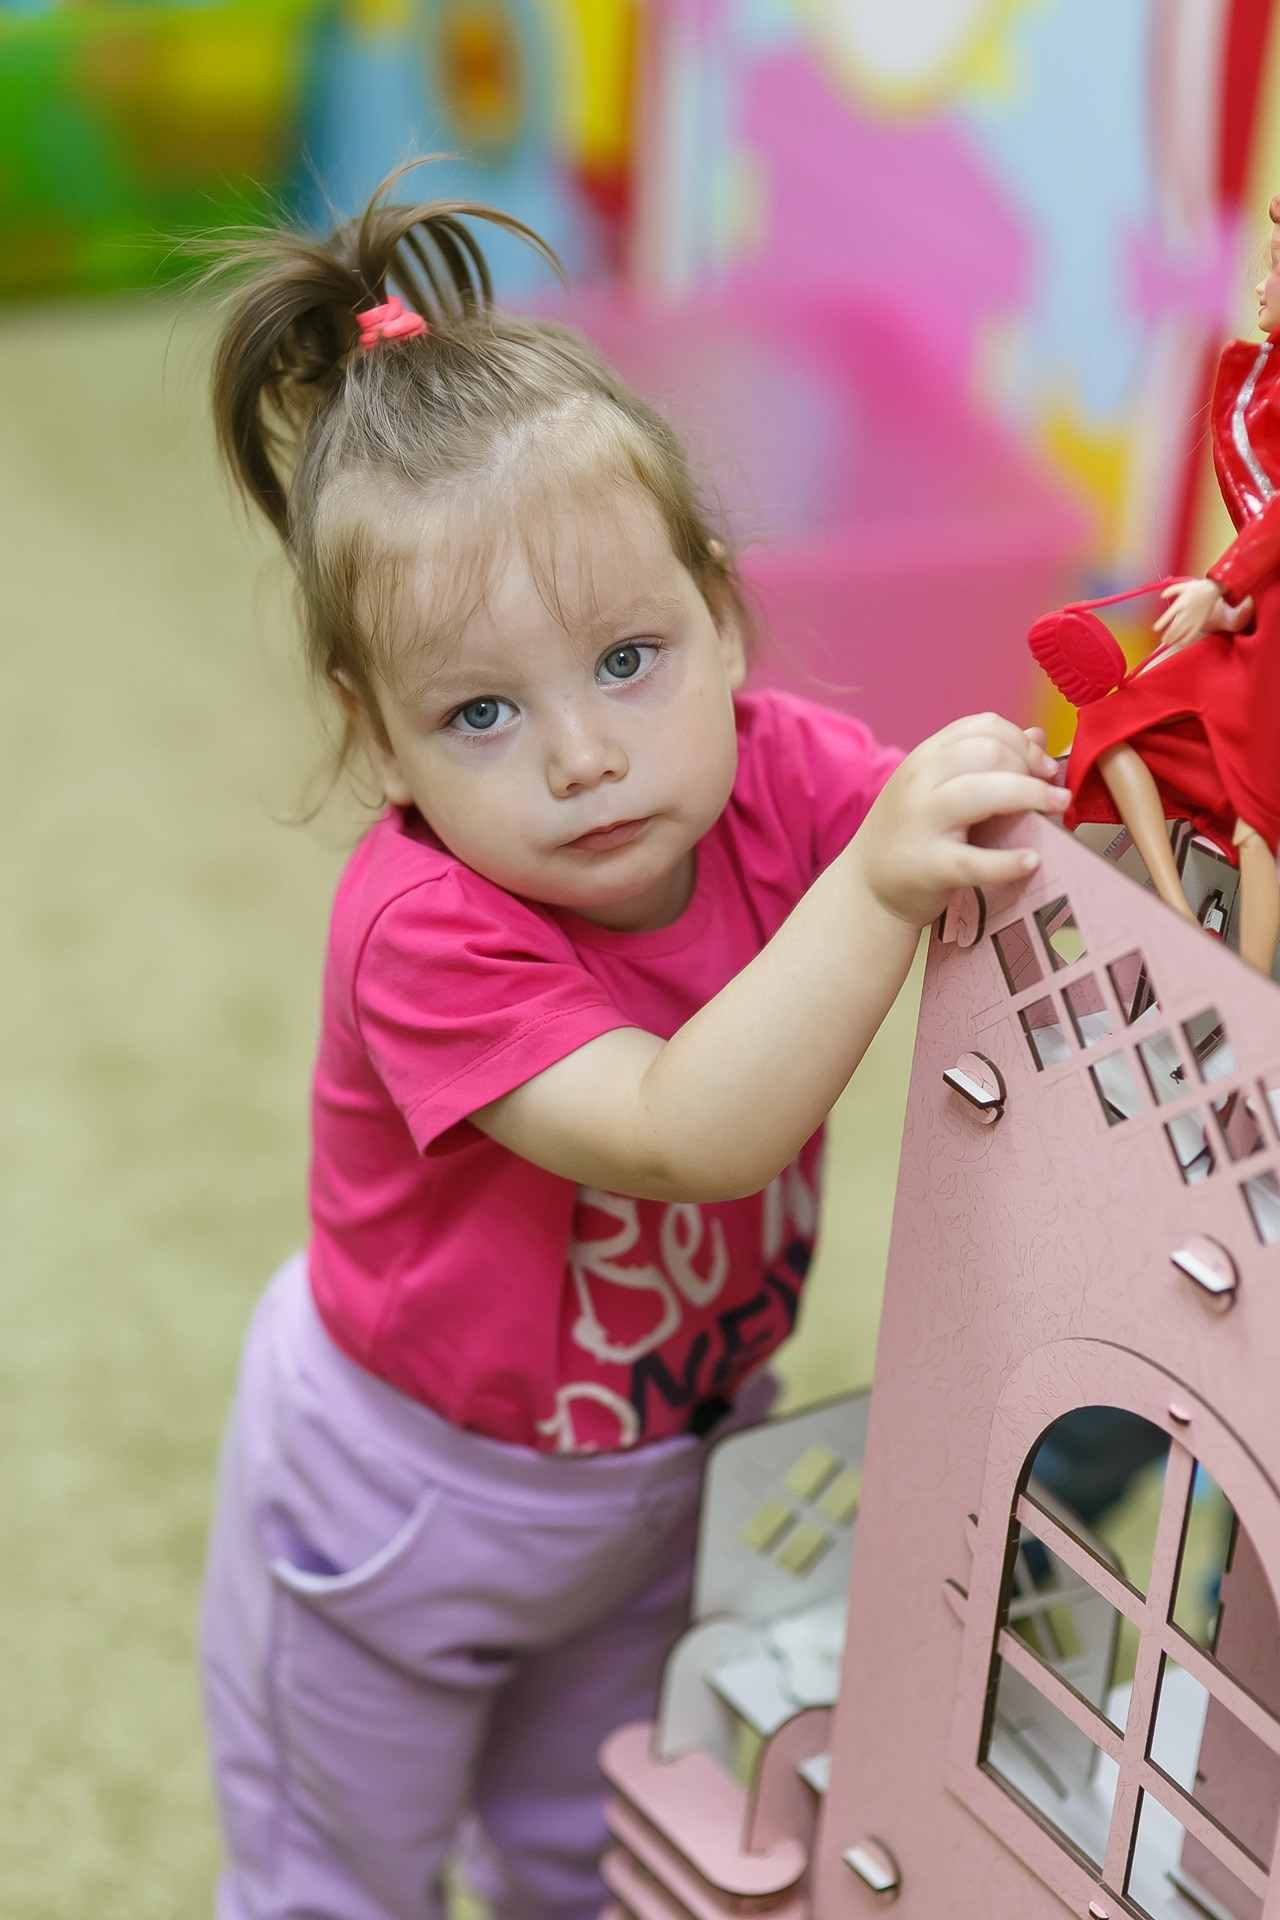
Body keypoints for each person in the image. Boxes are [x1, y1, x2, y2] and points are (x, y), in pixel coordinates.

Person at [198, 164, 1066, 1920]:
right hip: (396, 1512)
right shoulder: (421, 929)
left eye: (629, 658)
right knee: (333, 1874)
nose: (584, 756)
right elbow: (686, 1131)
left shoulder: (774, 764)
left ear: (725, 619)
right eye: (484, 710)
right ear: (382, 737)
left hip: (661, 1476)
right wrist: (882, 884)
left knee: (584, 1845)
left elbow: (984, 833)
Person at [1063, 193, 1280, 975]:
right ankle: (1174, 906)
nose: (1260, 286)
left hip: (1262, 647)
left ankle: (1249, 985)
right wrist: (1228, 608)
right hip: (1253, 630)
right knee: (1115, 724)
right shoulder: (1267, 385)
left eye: (1276, 268)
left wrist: (1220, 586)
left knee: (1260, 812)